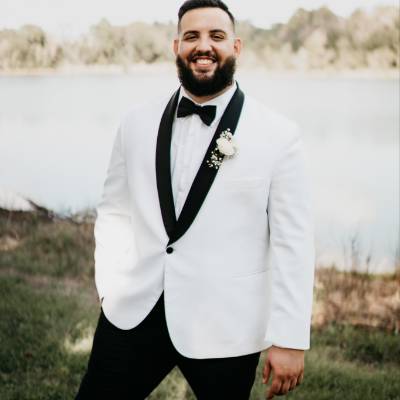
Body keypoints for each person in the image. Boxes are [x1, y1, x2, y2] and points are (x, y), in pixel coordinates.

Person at [75, 0, 315, 399]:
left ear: (236, 46)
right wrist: (108, 285)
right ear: (176, 46)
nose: (203, 46)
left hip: (226, 325)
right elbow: (115, 210)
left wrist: (290, 338)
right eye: (192, 36)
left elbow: (294, 242)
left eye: (216, 36)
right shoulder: (135, 123)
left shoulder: (279, 134)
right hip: (134, 311)